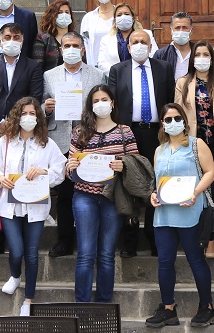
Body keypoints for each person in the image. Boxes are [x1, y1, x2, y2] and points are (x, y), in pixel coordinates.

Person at [0, 97, 66, 316]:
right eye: (24, 113)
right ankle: (15, 275)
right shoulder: (6, 141)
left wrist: (44, 173)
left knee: (31, 253)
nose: (28, 117)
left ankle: (29, 300)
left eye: (32, 114)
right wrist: (0, 177)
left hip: (36, 207)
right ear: (16, 116)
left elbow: (60, 170)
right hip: (9, 206)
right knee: (16, 250)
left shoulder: (47, 143)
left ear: (38, 117)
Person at [0, 22, 45, 256]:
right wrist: (1, 123)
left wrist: (14, 124)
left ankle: (20, 232)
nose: (12, 40)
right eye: (7, 36)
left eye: (16, 36)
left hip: (24, 130)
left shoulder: (33, 66)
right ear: (0, 40)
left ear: (22, 40)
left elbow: (34, 98)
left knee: (21, 178)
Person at [146, 103, 214, 328]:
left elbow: (211, 173)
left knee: (196, 260)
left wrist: (195, 193)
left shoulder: (197, 145)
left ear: (184, 121)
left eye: (177, 118)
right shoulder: (160, 149)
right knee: (164, 262)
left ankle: (206, 307)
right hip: (165, 213)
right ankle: (168, 308)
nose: (173, 123)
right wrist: (153, 195)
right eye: (168, 119)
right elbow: (157, 181)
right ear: (162, 124)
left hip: (190, 211)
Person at [66, 85, 138, 302]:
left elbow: (135, 165)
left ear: (112, 103)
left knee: (107, 255)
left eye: (104, 99)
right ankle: (82, 305)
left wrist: (123, 166)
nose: (100, 104)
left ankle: (104, 305)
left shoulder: (125, 132)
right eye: (95, 100)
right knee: (86, 254)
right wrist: (70, 166)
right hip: (84, 196)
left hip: (112, 198)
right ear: (90, 105)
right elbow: (70, 172)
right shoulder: (79, 132)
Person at [108, 27, 173, 256]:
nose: (138, 45)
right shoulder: (118, 70)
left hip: (156, 134)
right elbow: (112, 104)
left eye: (143, 41)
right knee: (129, 184)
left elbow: (170, 100)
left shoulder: (164, 68)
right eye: (134, 42)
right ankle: (130, 240)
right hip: (129, 133)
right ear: (128, 47)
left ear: (151, 45)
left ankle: (155, 238)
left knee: (156, 183)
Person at [43, 31, 105, 257]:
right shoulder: (49, 75)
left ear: (83, 49)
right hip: (60, 140)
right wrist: (46, 108)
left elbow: (102, 105)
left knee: (92, 191)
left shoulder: (96, 75)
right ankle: (64, 240)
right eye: (66, 46)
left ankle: (90, 240)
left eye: (75, 46)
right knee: (65, 194)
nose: (70, 49)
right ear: (60, 50)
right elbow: (40, 107)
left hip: (88, 140)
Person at [175, 40, 214, 257]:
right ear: (192, 59)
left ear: (211, 58)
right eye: (197, 54)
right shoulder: (183, 82)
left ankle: (212, 239)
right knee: (193, 191)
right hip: (191, 145)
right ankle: (192, 237)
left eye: (205, 54)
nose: (201, 58)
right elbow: (176, 115)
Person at [97, 2, 158, 74]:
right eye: (119, 15)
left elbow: (154, 55)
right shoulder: (106, 40)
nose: (123, 17)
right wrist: (118, 73)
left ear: (133, 18)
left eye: (126, 14)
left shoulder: (147, 34)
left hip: (141, 75)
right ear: (115, 20)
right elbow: (102, 62)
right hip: (117, 78)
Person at [79, 0, 116, 65]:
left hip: (117, 66)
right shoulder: (89, 18)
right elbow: (83, 42)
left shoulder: (120, 15)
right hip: (95, 66)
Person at [34, 0, 76, 71]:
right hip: (50, 80)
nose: (64, 15)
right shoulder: (43, 39)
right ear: (52, 16)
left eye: (67, 12)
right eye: (60, 12)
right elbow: (37, 66)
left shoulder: (76, 38)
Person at [154, 11, 195, 81]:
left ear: (191, 30)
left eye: (185, 27)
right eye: (177, 28)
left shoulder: (198, 52)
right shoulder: (161, 55)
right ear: (171, 30)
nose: (181, 31)